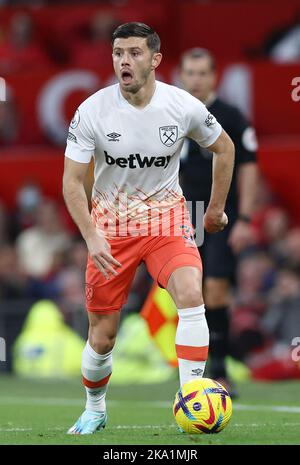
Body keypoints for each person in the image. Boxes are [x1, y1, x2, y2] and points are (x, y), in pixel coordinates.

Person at [63, 23, 234, 435]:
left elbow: (224, 147)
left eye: (135, 53)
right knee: (102, 338)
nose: (125, 60)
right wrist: (91, 235)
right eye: (119, 52)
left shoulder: (182, 106)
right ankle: (95, 407)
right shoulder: (92, 111)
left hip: (167, 221)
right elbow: (71, 181)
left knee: (192, 294)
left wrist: (213, 211)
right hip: (111, 230)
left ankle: (192, 400)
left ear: (155, 60)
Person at [179, 48, 258, 394]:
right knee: (190, 293)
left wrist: (245, 218)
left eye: (202, 73)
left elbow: (249, 167)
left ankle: (220, 370)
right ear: (181, 76)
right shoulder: (172, 112)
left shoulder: (231, 116)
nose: (196, 80)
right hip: (184, 216)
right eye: (190, 73)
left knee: (216, 289)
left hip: (221, 214)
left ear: (214, 76)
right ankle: (196, 372)